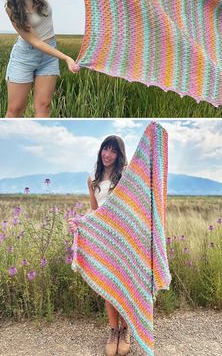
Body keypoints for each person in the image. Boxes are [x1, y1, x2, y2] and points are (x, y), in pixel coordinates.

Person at [69, 135, 131, 356]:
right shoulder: (92, 179)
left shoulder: (124, 176)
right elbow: (95, 211)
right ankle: (113, 331)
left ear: (119, 154)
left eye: (113, 151)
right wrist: (79, 224)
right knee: (108, 284)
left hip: (122, 237)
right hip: (103, 239)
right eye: (105, 149)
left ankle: (126, 330)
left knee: (123, 284)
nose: (108, 154)